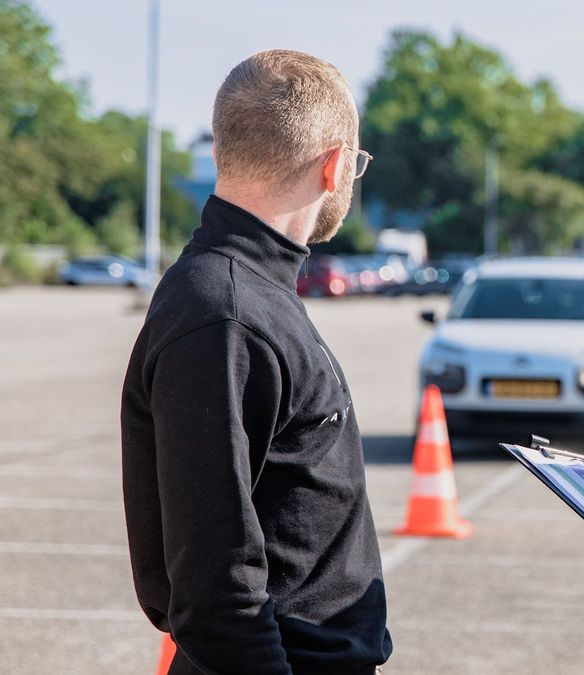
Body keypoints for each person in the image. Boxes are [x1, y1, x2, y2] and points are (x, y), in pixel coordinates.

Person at [120, 50, 390, 674]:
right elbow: (216, 589)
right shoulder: (225, 313)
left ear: (221, 153)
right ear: (336, 165)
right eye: (358, 165)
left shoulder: (250, 294)